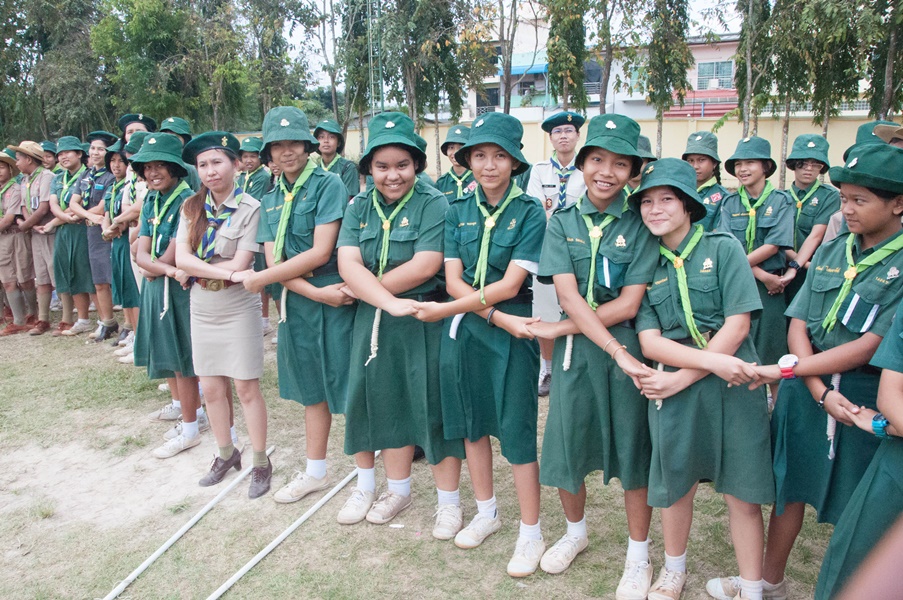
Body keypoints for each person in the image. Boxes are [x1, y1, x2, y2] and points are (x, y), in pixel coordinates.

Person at [707, 143, 903, 600]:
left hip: (864, 397)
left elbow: (870, 345)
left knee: (859, 503)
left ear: (898, 203)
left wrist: (784, 373)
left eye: (860, 200)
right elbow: (798, 323)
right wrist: (813, 387)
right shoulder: (833, 250)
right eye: (844, 198)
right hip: (807, 389)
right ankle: (769, 580)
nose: (846, 209)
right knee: (788, 486)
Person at [411, 112, 547, 576]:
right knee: (471, 423)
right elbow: (452, 280)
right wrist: (490, 316)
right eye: (480, 155)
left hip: (515, 330)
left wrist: (475, 314)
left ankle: (531, 531)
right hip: (471, 326)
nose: (489, 165)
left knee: (517, 429)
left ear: (515, 162)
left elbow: (510, 285)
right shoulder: (457, 210)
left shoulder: (530, 211)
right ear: (467, 160)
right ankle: (486, 511)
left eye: (500, 156)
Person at [529, 114, 660, 595]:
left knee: (633, 450)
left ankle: (638, 555)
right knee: (568, 445)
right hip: (574, 355)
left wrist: (563, 329)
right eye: (598, 160)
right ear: (582, 163)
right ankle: (575, 533)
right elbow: (567, 294)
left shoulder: (642, 222)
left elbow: (628, 303)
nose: (607, 172)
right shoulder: (563, 221)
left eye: (620, 164)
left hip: (626, 348)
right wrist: (574, 331)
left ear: (632, 172)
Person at [631, 158, 772, 600]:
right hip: (688, 378)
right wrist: (695, 372)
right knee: (676, 484)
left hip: (734, 380)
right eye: (646, 202)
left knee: (742, 492)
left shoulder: (723, 248)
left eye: (666, 199)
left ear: (689, 205)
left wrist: (683, 378)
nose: (655, 209)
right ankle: (674, 570)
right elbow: (650, 342)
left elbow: (738, 325)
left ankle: (752, 588)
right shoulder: (646, 262)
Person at [335, 111, 464, 527]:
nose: (393, 175)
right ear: (369, 168)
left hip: (423, 317)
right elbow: (347, 261)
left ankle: (449, 502)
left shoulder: (434, 202)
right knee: (385, 401)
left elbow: (426, 263)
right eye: (382, 166)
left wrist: (369, 291)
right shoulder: (359, 206)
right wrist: (382, 300)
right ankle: (398, 491)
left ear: (417, 165)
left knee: (432, 408)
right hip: (375, 318)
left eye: (402, 165)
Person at [239, 107, 355, 503]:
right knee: (311, 390)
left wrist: (264, 279)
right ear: (269, 152)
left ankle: (370, 475)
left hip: (336, 294)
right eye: (278, 145)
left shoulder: (328, 184)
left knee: (349, 386)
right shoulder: (270, 198)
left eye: (294, 143)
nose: (286, 152)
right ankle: (315, 471)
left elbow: (321, 251)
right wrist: (313, 293)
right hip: (302, 299)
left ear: (308, 147)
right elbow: (275, 261)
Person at [173, 131, 270, 496]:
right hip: (202, 305)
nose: (210, 171)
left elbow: (242, 262)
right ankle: (226, 454)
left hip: (237, 306)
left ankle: (260, 461)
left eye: (217, 162)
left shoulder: (251, 208)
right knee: (212, 388)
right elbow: (182, 259)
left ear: (235, 164)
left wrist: (198, 268)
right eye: (203, 165)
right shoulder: (191, 207)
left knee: (246, 387)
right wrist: (220, 271)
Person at [815, 294, 903, 599]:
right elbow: (890, 394)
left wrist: (888, 426)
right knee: (855, 565)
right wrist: (888, 424)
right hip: (897, 464)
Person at [128, 132, 203, 461]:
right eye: (147, 167)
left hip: (179, 290)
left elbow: (171, 254)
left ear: (175, 168)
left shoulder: (187, 201)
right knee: (167, 353)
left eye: (160, 165)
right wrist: (160, 269)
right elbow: (141, 253)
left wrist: (160, 268)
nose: (153, 172)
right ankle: (183, 409)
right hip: (160, 283)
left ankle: (192, 425)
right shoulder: (151, 199)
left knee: (182, 357)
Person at [718, 137, 794, 402]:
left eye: (750, 162)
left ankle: (778, 415)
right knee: (739, 351)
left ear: (766, 167)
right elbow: (727, 247)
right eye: (738, 164)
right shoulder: (729, 203)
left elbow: (774, 245)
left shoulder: (781, 201)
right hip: (743, 284)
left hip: (770, 290)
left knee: (773, 355)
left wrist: (760, 275)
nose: (743, 169)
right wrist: (760, 274)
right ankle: (748, 412)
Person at [527, 110, 587, 397]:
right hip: (547, 250)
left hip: (581, 247)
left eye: (568, 131)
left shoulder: (588, 169)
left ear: (578, 135)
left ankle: (576, 364)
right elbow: (538, 210)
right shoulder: (539, 171)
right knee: (546, 311)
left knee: (580, 306)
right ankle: (548, 367)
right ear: (550, 138)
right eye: (558, 132)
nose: (564, 136)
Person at [40, 136, 94, 336]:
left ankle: (103, 319)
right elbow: (54, 203)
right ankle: (82, 319)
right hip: (65, 230)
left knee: (86, 272)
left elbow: (83, 205)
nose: (63, 157)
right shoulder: (58, 178)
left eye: (68, 152)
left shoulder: (88, 175)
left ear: (79, 154)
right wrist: (62, 218)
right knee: (68, 272)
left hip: (83, 228)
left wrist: (56, 221)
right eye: (60, 154)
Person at [70, 130, 120, 342]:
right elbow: (73, 202)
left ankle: (128, 325)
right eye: (92, 148)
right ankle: (107, 322)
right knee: (98, 280)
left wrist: (88, 215)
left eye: (101, 149)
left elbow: (103, 206)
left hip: (108, 231)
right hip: (91, 231)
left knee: (112, 278)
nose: (96, 152)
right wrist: (89, 216)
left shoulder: (111, 175)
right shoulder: (86, 175)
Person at [780, 134, 840, 303]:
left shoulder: (829, 196)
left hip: (812, 270)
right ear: (794, 165)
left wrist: (800, 265)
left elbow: (816, 235)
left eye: (815, 164)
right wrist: (797, 263)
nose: (809, 169)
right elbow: (775, 239)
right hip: (780, 269)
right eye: (803, 163)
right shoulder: (780, 197)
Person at [10, 140, 56, 335]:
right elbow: (24, 205)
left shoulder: (47, 176)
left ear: (29, 159)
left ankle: (68, 317)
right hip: (35, 232)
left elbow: (44, 207)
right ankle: (42, 319)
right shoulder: (24, 180)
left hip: (49, 231)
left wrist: (27, 224)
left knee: (55, 273)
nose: (17, 163)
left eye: (18, 159)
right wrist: (29, 223)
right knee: (41, 275)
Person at [101, 140, 141, 350]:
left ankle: (140, 338)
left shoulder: (132, 184)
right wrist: (107, 229)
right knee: (125, 290)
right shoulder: (115, 186)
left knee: (134, 292)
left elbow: (130, 213)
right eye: (112, 161)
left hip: (128, 239)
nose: (116, 165)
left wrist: (116, 225)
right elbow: (108, 212)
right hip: (116, 240)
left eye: (121, 161)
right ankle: (133, 334)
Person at [0, 148, 36, 335]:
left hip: (16, 235)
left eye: (1, 167)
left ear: (10, 169)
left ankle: (33, 313)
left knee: (25, 277)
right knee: (7, 279)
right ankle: (18, 319)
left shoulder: (14, 189)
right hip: (2, 238)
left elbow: (8, 219)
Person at [682, 131, 728, 232]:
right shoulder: (680, 192)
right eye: (690, 161)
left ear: (714, 163)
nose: (695, 166)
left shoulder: (724, 197)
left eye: (701, 160)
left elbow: (718, 234)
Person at [313, 119, 360, 200]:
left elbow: (349, 199)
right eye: (321, 137)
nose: (326, 141)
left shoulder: (348, 168)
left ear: (338, 143)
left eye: (331, 137)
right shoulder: (315, 170)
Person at [434, 125, 475, 201]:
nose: (455, 152)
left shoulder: (478, 179)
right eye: (451, 147)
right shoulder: (441, 183)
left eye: (461, 147)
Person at [159, 117, 202, 191]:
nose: (169, 141)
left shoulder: (191, 166)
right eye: (165, 136)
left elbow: (198, 192)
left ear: (185, 139)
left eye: (175, 137)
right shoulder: (153, 162)